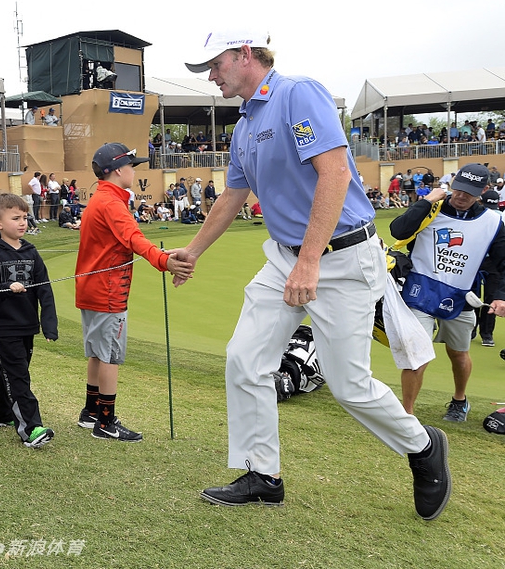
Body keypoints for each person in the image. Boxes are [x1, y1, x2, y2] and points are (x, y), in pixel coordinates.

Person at [176, 28, 449, 520]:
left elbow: (335, 173)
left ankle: (423, 447)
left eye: (214, 65)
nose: (210, 77)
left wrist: (310, 261)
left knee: (349, 385)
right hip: (285, 255)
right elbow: (233, 196)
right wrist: (194, 250)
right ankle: (263, 473)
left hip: (341, 259)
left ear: (244, 55)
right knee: (245, 358)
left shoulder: (296, 93)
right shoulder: (242, 127)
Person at [75, 142, 191, 442]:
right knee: (110, 356)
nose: (134, 170)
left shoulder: (102, 199)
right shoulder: (112, 203)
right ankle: (105, 421)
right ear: (116, 170)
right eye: (131, 165)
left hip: (91, 288)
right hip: (108, 291)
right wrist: (166, 262)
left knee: (97, 353)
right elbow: (134, 239)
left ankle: (91, 412)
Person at [389, 164, 505, 419]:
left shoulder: (493, 222)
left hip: (462, 297)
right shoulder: (431, 208)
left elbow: (503, 263)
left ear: (484, 190)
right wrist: (427, 200)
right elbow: (398, 230)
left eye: (470, 192)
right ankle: (406, 415)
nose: (461, 196)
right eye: (458, 189)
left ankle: (459, 399)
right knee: (416, 353)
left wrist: (500, 296)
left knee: (458, 353)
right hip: (420, 290)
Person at [0, 193, 58, 448]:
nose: (22, 222)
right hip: (3, 327)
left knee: (12, 371)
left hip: (27, 325)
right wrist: (7, 287)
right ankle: (31, 429)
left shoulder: (32, 252)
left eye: (24, 217)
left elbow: (45, 289)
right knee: (19, 376)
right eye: (15, 218)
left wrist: (49, 324)